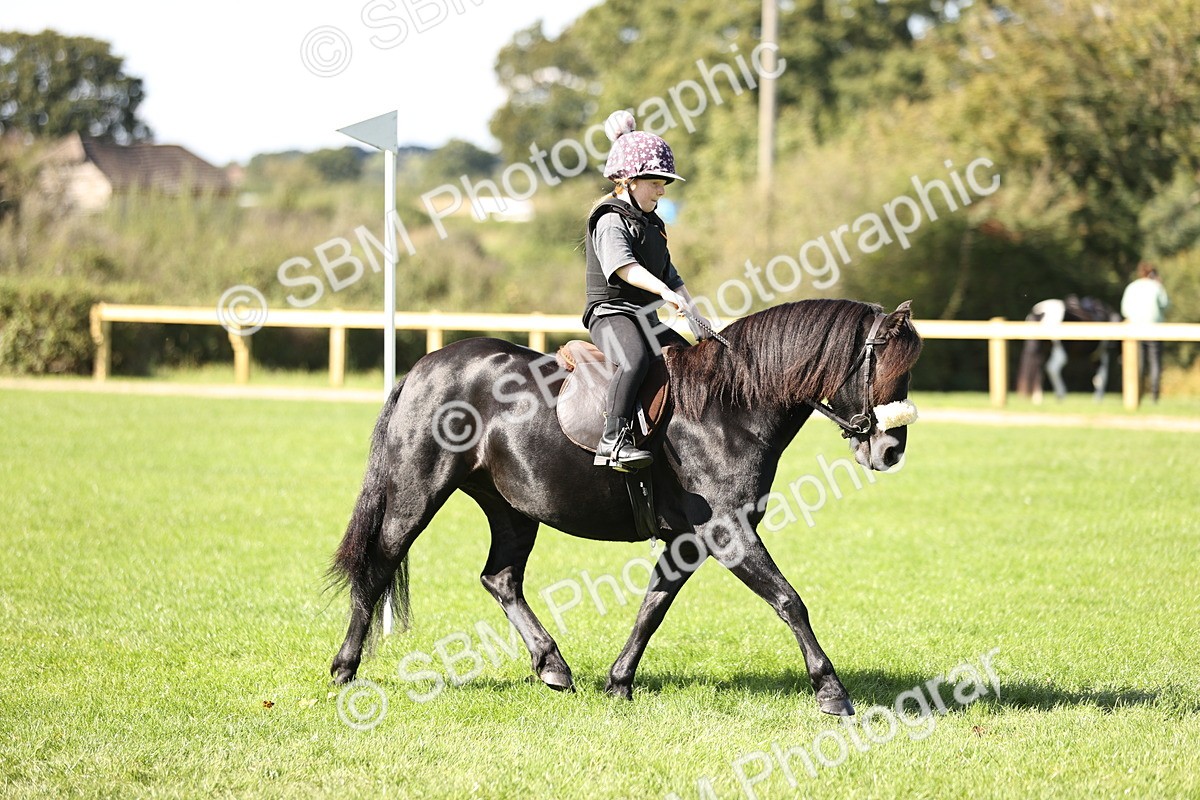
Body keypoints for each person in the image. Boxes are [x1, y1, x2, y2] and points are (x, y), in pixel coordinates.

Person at [583, 110, 714, 472]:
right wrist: (665, 293)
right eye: (655, 181)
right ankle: (612, 441)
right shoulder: (610, 218)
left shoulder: (653, 222)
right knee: (635, 360)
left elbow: (671, 276)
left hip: (644, 316)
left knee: (688, 356)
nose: (662, 189)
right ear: (627, 181)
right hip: (610, 315)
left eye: (663, 183)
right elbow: (625, 267)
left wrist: (698, 318)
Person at [1120, 261, 1170, 401]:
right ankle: (1154, 396)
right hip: (1154, 329)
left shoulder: (1132, 287)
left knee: (1138, 363)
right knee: (1155, 362)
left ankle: (1137, 394)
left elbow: (1125, 309)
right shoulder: (1157, 287)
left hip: (1135, 329)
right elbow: (1166, 305)